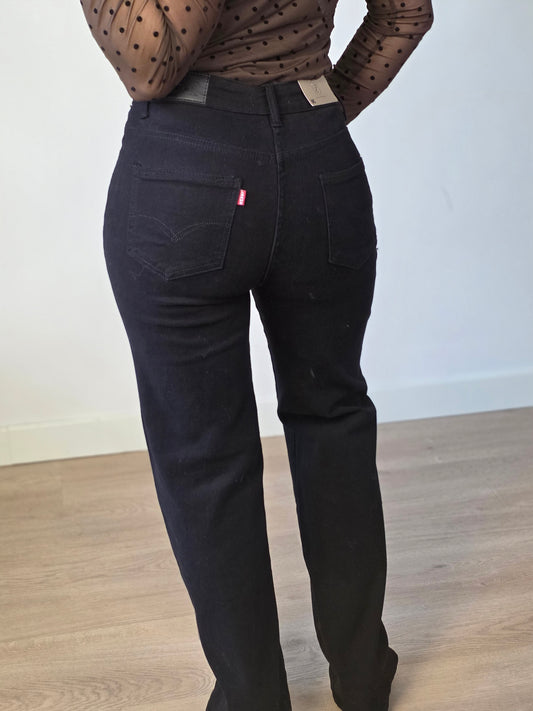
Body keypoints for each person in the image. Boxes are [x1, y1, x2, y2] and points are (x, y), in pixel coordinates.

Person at [79, 1, 434, 709]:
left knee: (204, 455)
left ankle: (253, 698)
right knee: (332, 419)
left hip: (185, 170)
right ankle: (363, 676)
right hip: (319, 164)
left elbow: (150, 65)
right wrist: (316, 116)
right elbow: (407, 11)